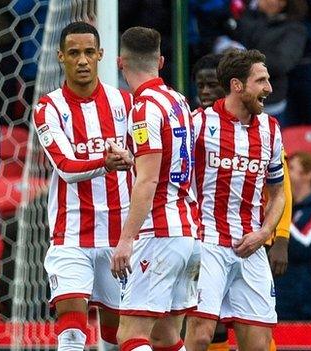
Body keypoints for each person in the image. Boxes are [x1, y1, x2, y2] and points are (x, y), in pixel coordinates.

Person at [32, 21, 134, 351]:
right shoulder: (48, 108)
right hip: (70, 236)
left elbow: (146, 162)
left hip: (119, 239)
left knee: (118, 336)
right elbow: (64, 166)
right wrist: (107, 162)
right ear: (60, 56)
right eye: (74, 53)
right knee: (72, 332)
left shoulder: (125, 104)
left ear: (101, 55)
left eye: (89, 52)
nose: (82, 60)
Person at [189, 52, 293, 351]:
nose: (269, 88)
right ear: (237, 85)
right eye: (261, 80)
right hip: (206, 242)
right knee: (200, 335)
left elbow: (278, 192)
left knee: (259, 344)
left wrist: (266, 234)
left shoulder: (271, 130)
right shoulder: (198, 124)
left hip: (251, 246)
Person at [111, 26, 200, 351]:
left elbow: (148, 180)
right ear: (160, 61)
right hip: (187, 234)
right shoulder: (178, 100)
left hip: (159, 234)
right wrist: (134, 159)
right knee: (164, 336)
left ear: (121, 62)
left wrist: (126, 240)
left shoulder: (144, 108)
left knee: (130, 336)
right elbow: (169, 162)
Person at [275, 151, 311, 320]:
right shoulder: (292, 211)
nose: (286, 172)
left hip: (305, 304)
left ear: (308, 174)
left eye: (291, 168)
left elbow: (305, 245)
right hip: (282, 299)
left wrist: (275, 215)